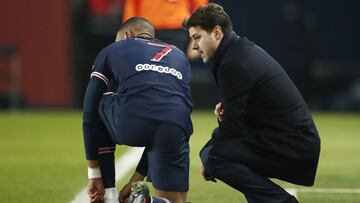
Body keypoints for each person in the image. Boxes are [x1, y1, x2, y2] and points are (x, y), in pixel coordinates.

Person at [183, 3, 320, 203]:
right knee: (215, 153)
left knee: (214, 157)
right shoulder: (237, 52)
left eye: (197, 38)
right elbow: (239, 120)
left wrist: (208, 154)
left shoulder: (233, 63)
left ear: (217, 32)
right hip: (291, 141)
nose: (194, 46)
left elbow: (232, 128)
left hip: (293, 146)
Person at [83, 17, 193, 203]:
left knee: (100, 104)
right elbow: (165, 117)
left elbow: (89, 112)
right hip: (176, 127)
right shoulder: (179, 56)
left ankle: (109, 195)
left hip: (132, 121)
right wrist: (136, 180)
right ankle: (146, 201)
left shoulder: (112, 49)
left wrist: (94, 174)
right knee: (175, 201)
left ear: (127, 35)